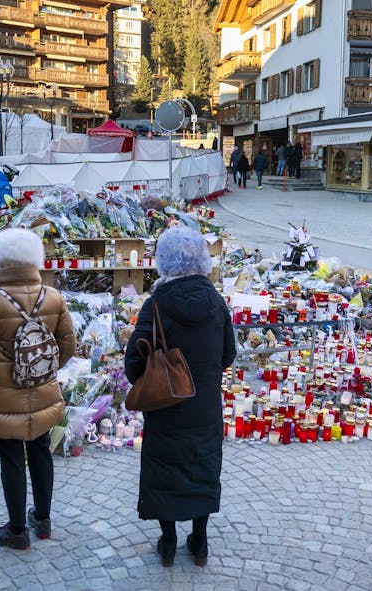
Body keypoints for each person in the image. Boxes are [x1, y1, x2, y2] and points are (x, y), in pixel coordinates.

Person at [125, 225, 236, 568]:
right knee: (202, 467)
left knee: (166, 470)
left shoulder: (157, 303)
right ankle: (200, 541)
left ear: (164, 261)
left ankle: (169, 540)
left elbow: (133, 363)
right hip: (203, 407)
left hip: (167, 406)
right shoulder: (216, 302)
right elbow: (228, 354)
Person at [0, 228, 76, 550]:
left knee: (11, 458)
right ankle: (42, 519)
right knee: (41, 450)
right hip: (43, 392)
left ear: (0, 260)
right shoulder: (53, 296)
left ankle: (15, 531)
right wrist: (44, 371)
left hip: (2, 395)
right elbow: (68, 344)